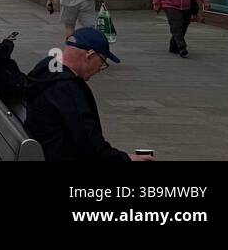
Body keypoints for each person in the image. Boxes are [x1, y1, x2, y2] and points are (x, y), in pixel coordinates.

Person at [24, 28, 152, 162]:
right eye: (102, 63)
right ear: (89, 56)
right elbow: (88, 142)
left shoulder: (47, 71)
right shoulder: (66, 88)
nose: (99, 70)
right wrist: (126, 159)